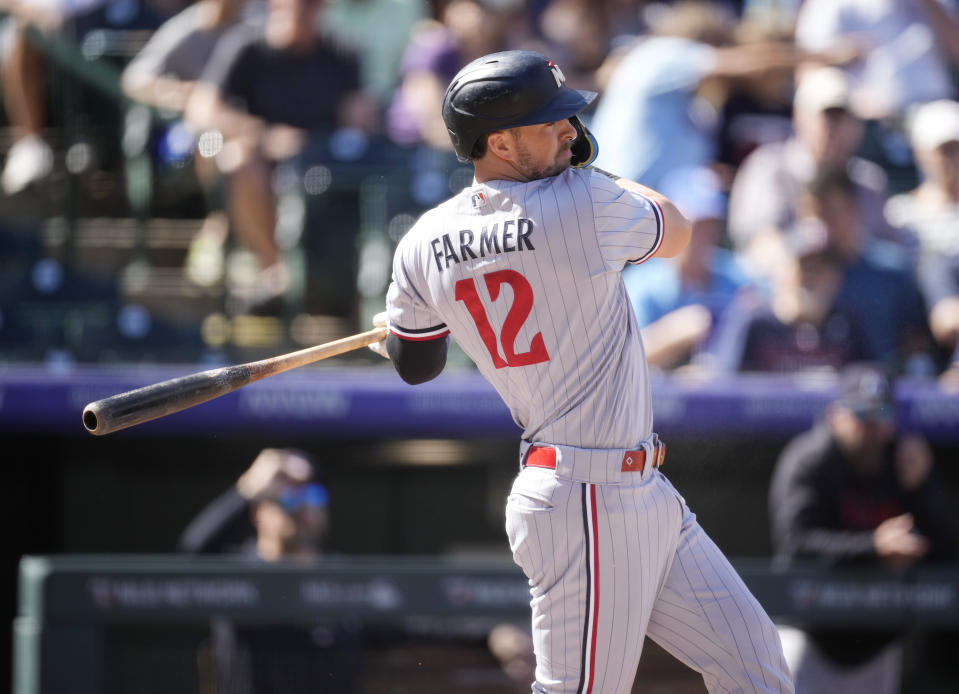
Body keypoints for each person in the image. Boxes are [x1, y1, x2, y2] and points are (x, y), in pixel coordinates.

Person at [368, 49, 794, 693]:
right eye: (551, 122)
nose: (570, 130)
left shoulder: (422, 241)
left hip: (634, 488)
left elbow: (417, 364)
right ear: (500, 140)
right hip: (586, 492)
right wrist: (595, 169)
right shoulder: (585, 199)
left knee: (753, 661)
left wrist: (397, 338)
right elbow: (675, 230)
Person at [768, 362, 959, 694]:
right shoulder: (811, 459)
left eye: (882, 413)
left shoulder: (903, 459)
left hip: (877, 645)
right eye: (860, 412)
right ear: (834, 415)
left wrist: (921, 489)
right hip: (810, 635)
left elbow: (947, 549)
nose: (871, 425)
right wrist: (874, 546)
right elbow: (796, 543)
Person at [183, 0, 379, 316]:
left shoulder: (341, 52)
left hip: (323, 170)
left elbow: (360, 115)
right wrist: (264, 136)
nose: (302, 10)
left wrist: (358, 116)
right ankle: (276, 271)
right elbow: (202, 110)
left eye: (311, 4)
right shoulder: (247, 46)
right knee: (238, 157)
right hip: (263, 168)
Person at [179, 447, 364, 694]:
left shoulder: (343, 576)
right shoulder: (238, 570)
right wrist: (248, 489)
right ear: (256, 512)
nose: (302, 505)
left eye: (312, 494)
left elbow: (407, 624)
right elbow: (193, 553)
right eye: (287, 496)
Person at [588, 0, 813, 192]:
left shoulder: (698, 110)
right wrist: (823, 57)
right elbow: (750, 63)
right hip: (614, 197)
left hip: (647, 208)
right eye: (721, 46)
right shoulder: (665, 53)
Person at [120, 0, 266, 287]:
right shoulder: (187, 28)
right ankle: (220, 227)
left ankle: (223, 234)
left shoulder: (256, 23)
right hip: (190, 142)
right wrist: (183, 93)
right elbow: (134, 80)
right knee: (212, 139)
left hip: (245, 136)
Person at [727, 66, 913, 279]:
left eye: (843, 118)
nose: (835, 128)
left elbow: (892, 252)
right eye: (827, 117)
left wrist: (853, 246)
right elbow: (760, 249)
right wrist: (807, 243)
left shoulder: (869, 179)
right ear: (800, 119)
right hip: (789, 290)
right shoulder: (769, 169)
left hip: (860, 297)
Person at [700, 216, 874, 374]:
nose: (812, 277)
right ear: (782, 271)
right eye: (805, 266)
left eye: (822, 268)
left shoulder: (847, 327)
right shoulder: (754, 324)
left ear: (837, 278)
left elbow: (871, 387)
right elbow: (721, 390)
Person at [624, 165, 755, 371]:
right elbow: (622, 362)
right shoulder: (641, 286)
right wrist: (673, 334)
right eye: (692, 225)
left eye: (710, 225)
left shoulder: (736, 277)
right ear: (668, 224)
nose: (702, 236)